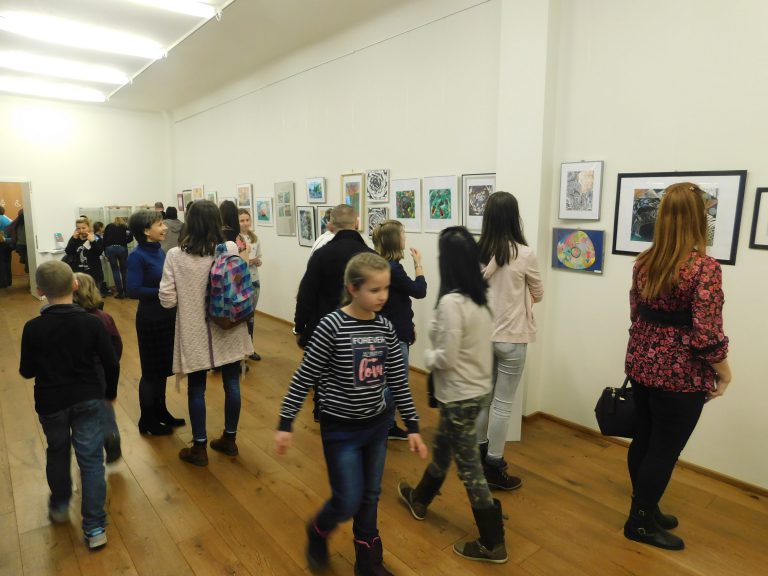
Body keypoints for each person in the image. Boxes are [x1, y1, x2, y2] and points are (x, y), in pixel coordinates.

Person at [275, 252, 427, 575]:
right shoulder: (331, 326)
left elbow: (399, 380)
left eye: (386, 289)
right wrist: (286, 422)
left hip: (377, 426)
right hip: (340, 430)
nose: (383, 296)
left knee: (370, 496)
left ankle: (368, 562)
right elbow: (305, 376)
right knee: (347, 499)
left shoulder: (386, 328)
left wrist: (412, 425)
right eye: (375, 290)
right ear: (353, 288)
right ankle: (317, 531)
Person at [623, 183, 731, 551]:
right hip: (680, 374)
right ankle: (639, 523)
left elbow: (636, 313)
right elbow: (707, 334)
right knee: (664, 449)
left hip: (641, 363)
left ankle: (646, 508)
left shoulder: (644, 261)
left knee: (645, 439)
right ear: (699, 219)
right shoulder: (704, 268)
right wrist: (725, 373)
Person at [397, 226, 507, 564]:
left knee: (470, 469)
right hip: (475, 391)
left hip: (459, 394)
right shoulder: (479, 296)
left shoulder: (450, 304)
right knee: (444, 448)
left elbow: (445, 357)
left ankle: (492, 542)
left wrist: (426, 357)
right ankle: (420, 498)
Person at [19, 260, 119, 550]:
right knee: (91, 461)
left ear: (40, 291)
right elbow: (110, 362)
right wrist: (109, 392)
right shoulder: (91, 322)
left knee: (58, 452)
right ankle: (95, 526)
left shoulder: (32, 328)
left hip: (51, 403)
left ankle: (60, 505)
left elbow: (27, 371)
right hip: (88, 399)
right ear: (75, 285)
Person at [159, 200, 253, 466]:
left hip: (195, 330)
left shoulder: (176, 256)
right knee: (232, 383)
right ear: (216, 221)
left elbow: (166, 299)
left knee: (196, 388)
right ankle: (229, 440)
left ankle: (199, 447)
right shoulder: (230, 248)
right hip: (228, 325)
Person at [475, 191, 543, 491]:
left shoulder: (475, 252)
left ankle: (475, 458)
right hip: (512, 338)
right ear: (514, 217)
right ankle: (493, 464)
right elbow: (539, 293)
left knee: (483, 400)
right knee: (502, 405)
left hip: (482, 336)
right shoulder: (524, 254)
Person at [127, 210, 183, 436]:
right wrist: (165, 291)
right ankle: (146, 420)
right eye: (160, 224)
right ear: (145, 230)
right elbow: (133, 289)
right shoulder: (137, 256)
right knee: (151, 373)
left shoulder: (160, 251)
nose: (165, 228)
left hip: (167, 317)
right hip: (151, 320)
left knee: (162, 370)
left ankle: (161, 412)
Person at [372, 219, 427, 441]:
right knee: (397, 384)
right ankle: (373, 419)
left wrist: (410, 325)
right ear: (396, 240)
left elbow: (397, 301)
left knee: (388, 381)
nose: (405, 237)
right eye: (403, 234)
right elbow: (419, 291)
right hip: (393, 334)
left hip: (391, 329)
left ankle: (387, 425)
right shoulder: (393, 268)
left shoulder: (380, 263)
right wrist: (419, 264)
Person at [294, 204, 374, 348]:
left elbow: (306, 294)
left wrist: (299, 327)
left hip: (324, 331)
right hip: (362, 333)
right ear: (356, 223)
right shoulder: (372, 257)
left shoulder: (321, 255)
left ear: (330, 226)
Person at [73, 272, 123, 463]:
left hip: (78, 376)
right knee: (105, 407)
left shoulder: (70, 320)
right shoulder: (104, 317)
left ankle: (88, 448)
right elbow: (116, 344)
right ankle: (111, 436)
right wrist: (109, 362)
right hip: (101, 371)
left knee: (83, 415)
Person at [239, 208, 263, 361]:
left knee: (251, 316)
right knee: (243, 316)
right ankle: (241, 350)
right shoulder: (236, 239)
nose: (245, 223)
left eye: (247, 220)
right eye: (242, 220)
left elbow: (259, 257)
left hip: (254, 279)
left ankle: (250, 348)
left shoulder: (255, 238)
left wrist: (257, 261)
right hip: (241, 281)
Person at [65, 217, 105, 293]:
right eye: (78, 228)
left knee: (94, 300)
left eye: (84, 228)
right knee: (79, 299)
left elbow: (99, 252)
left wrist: (92, 241)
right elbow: (68, 251)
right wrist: (74, 238)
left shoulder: (96, 238)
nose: (81, 230)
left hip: (94, 275)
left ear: (89, 227)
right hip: (78, 275)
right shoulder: (75, 238)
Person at [103, 216, 133, 299]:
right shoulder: (126, 227)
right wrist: (123, 241)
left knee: (115, 270)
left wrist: (105, 251)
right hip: (122, 249)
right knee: (124, 271)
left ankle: (120, 293)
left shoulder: (109, 226)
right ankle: (127, 292)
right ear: (122, 221)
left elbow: (104, 239)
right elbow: (130, 238)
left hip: (110, 249)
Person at [0, 205, 12, 288]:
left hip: (2, 243)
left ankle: (2, 283)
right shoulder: (6, 218)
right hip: (8, 243)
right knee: (6, 263)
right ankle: (8, 282)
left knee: (2, 264)